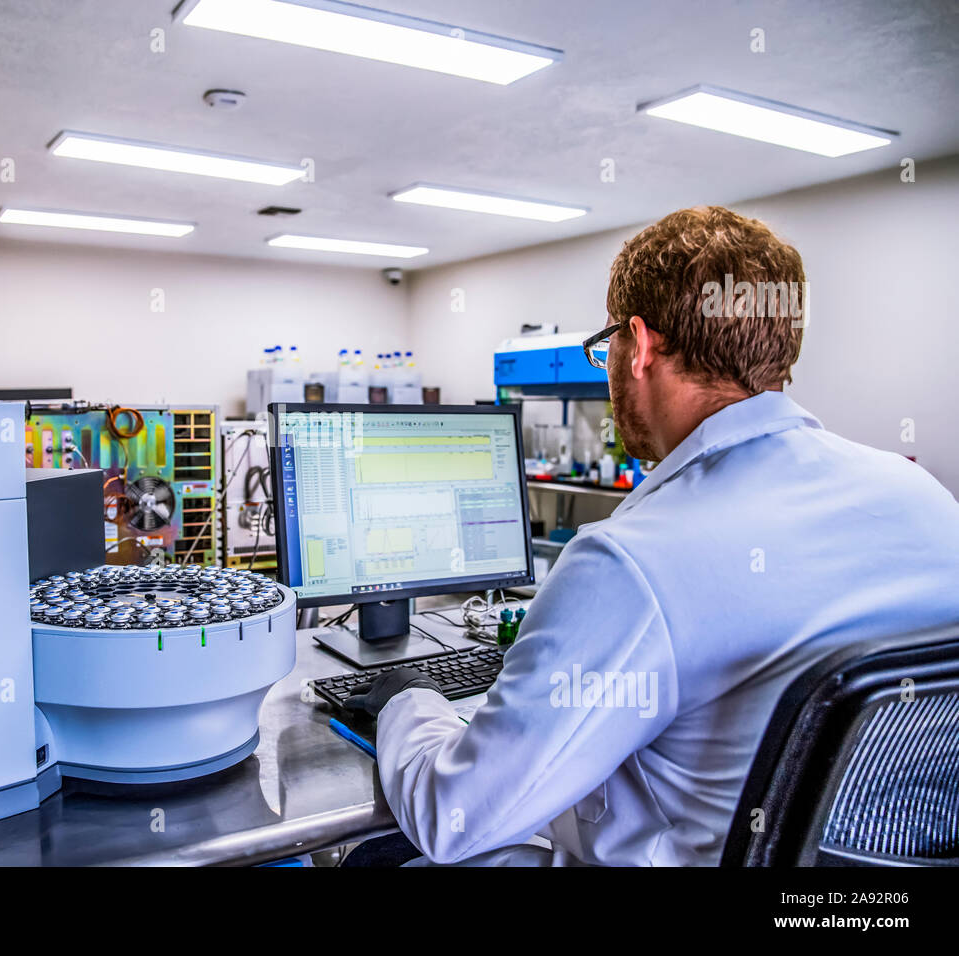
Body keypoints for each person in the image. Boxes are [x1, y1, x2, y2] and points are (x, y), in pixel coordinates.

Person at [344, 206, 959, 866]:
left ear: (637, 344)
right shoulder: (924, 501)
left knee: (379, 856)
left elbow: (454, 817)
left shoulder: (631, 561)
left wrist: (407, 704)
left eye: (605, 343)